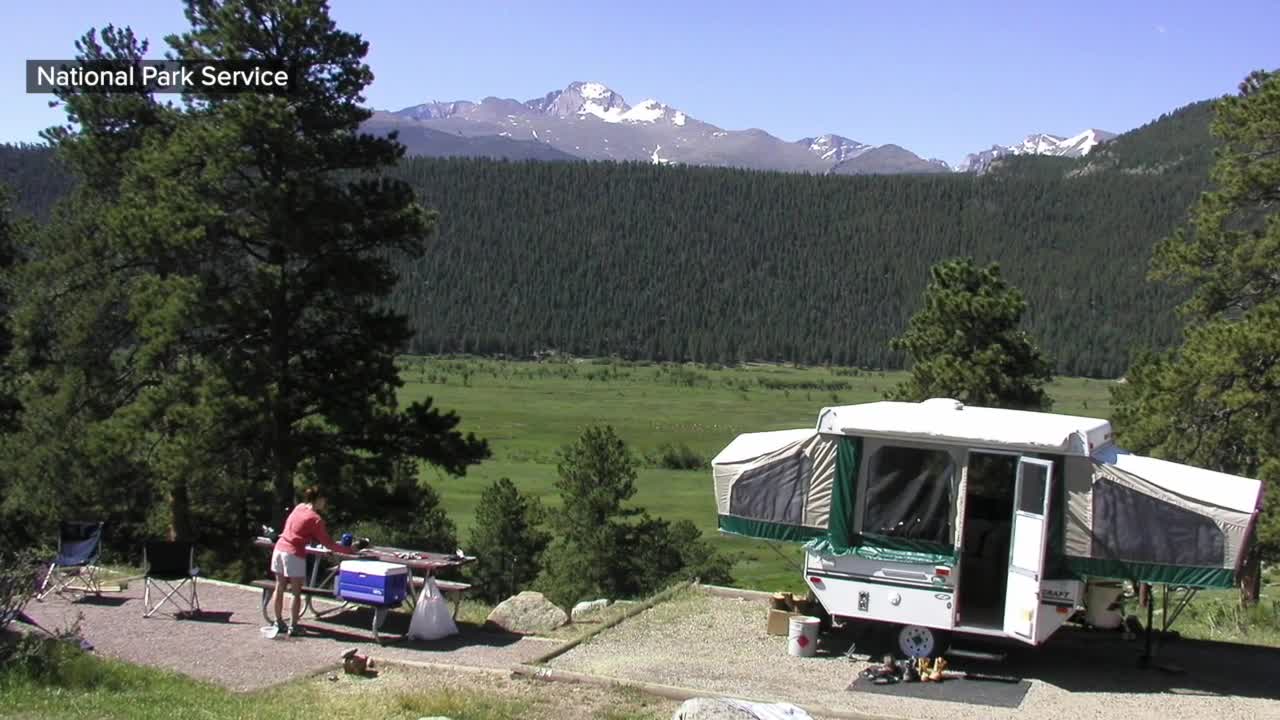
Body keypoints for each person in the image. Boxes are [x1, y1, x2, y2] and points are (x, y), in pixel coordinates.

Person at [271, 487, 357, 637]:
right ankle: (294, 625)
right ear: (319, 499)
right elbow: (329, 544)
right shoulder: (315, 519)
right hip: (293, 553)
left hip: (279, 549)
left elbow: (295, 529)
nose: (325, 503)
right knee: (296, 593)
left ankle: (278, 621)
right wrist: (350, 550)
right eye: (324, 500)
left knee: (279, 587)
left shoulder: (299, 507)